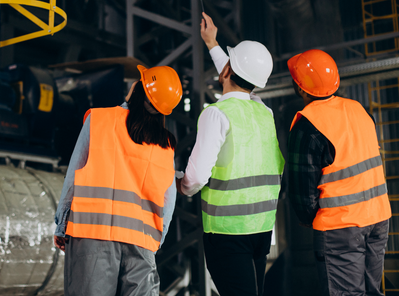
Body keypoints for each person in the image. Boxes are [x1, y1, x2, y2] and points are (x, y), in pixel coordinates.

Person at [176, 12, 285, 296]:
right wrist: (212, 44)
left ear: (225, 73)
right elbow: (237, 74)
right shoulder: (264, 112)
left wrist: (181, 185)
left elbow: (196, 177)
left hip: (226, 233)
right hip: (261, 228)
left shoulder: (216, 115)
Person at [53, 65, 182, 296]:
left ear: (139, 89)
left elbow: (74, 174)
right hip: (141, 243)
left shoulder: (100, 120)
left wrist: (62, 224)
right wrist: (155, 243)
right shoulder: (165, 144)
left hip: (92, 235)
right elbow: (168, 200)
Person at [286, 49, 391, 296]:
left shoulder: (307, 125)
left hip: (340, 228)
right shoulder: (359, 110)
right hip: (378, 219)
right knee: (372, 291)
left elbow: (303, 194)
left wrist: (312, 219)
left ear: (301, 88)